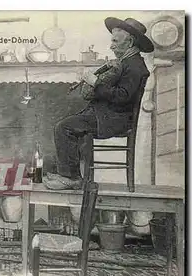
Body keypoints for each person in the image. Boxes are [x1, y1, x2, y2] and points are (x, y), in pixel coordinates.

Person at [44, 17, 153, 190]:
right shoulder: (126, 63)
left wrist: (95, 82)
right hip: (105, 115)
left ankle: (71, 177)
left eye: (115, 41)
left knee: (63, 127)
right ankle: (68, 173)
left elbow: (122, 97)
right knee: (68, 122)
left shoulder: (136, 67)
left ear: (130, 41)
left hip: (114, 120)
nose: (111, 46)